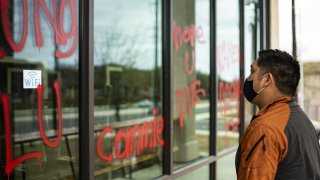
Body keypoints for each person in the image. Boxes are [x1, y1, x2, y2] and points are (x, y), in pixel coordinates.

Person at [235, 49, 320, 179]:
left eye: (252, 71)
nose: (248, 78)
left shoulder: (265, 128)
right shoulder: (302, 119)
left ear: (267, 79)